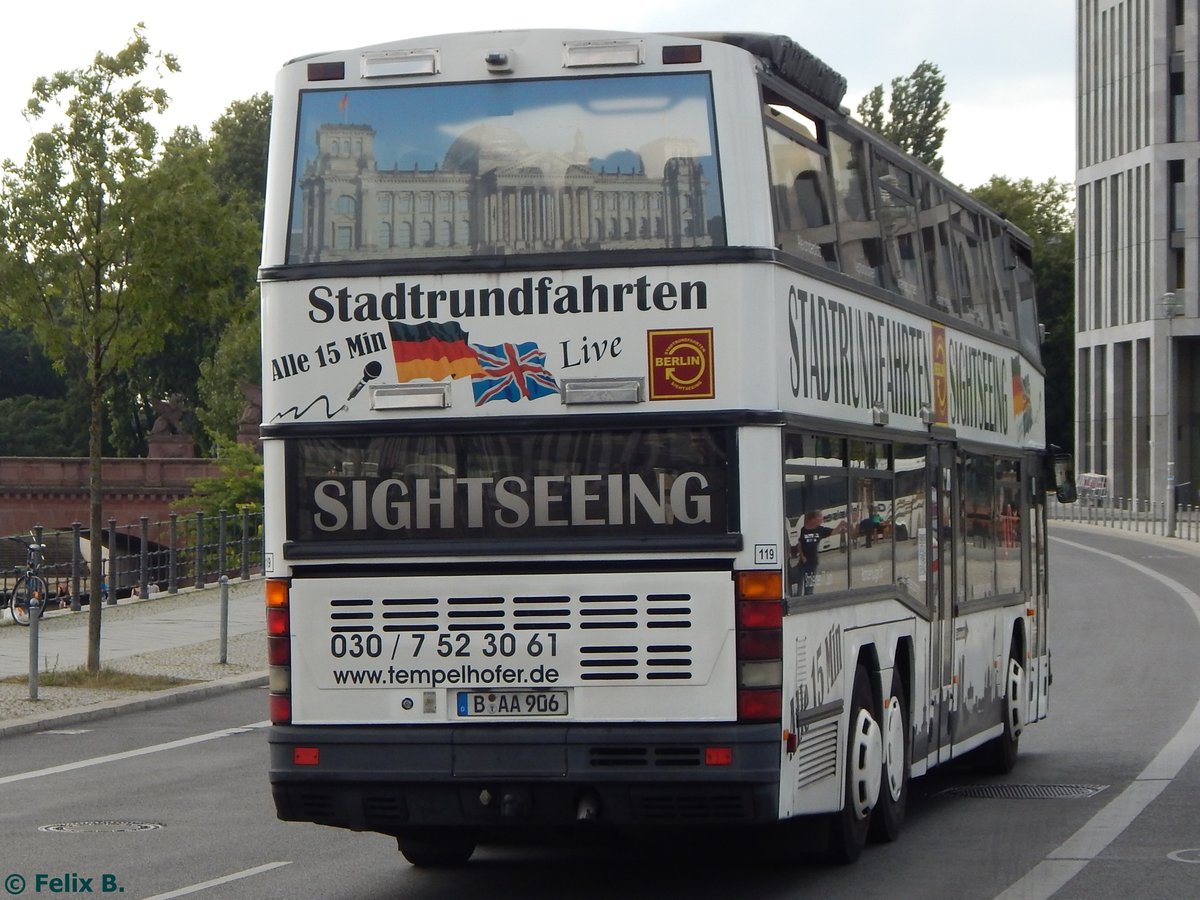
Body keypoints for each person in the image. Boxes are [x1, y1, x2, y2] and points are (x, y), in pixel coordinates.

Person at [795, 510, 844, 595]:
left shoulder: (820, 530)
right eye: (820, 517)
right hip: (803, 561)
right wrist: (802, 556)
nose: (822, 519)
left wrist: (841, 525)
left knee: (809, 583)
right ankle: (799, 596)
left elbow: (834, 531)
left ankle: (808, 596)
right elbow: (800, 544)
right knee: (800, 580)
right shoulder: (804, 530)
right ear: (814, 519)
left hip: (812, 562)